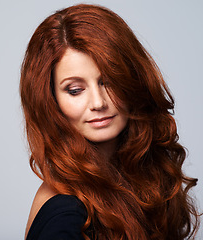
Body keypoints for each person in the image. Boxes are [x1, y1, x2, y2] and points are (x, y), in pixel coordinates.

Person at [20, 4, 199, 240]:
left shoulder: (139, 177)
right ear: (51, 101)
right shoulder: (66, 213)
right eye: (75, 90)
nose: (98, 102)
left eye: (109, 81)